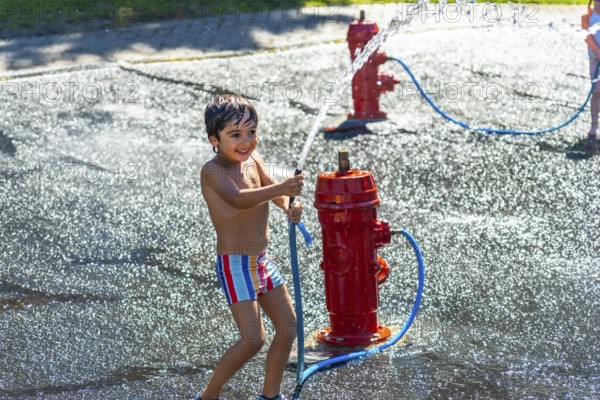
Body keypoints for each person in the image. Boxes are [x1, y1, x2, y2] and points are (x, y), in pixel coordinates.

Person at [196, 94, 305, 400]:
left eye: (251, 132)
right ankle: (208, 395)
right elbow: (239, 199)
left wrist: (288, 205)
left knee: (289, 328)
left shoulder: (253, 160)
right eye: (235, 135)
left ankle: (270, 396)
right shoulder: (213, 171)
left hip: (260, 260)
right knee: (252, 339)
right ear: (213, 140)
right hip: (235, 263)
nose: (246, 142)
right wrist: (283, 187)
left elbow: (272, 191)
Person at [583, 0, 600, 153]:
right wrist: (598, 52)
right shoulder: (586, 17)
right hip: (595, 60)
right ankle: (594, 126)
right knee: (596, 92)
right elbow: (587, 37)